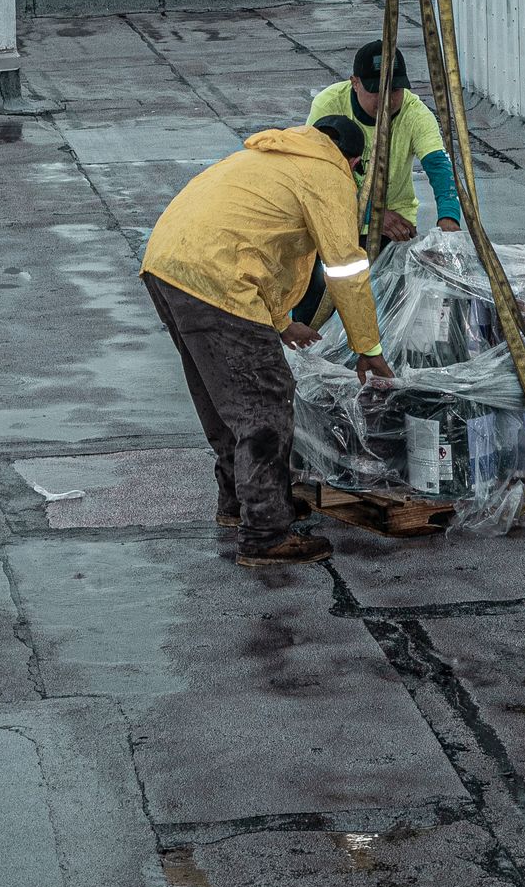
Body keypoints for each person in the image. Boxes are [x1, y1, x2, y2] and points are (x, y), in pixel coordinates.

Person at [142, 115, 394, 567]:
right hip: (216, 279)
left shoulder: (270, 157)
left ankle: (243, 503)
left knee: (222, 397)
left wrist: (280, 322)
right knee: (265, 399)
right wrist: (367, 348)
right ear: (353, 160)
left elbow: (253, 240)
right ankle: (265, 534)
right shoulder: (328, 174)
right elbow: (344, 268)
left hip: (168, 265)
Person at [307, 41, 463, 246]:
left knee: (392, 274)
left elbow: (439, 166)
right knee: (332, 275)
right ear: (355, 83)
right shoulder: (329, 105)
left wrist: (449, 217)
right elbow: (314, 174)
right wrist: (374, 213)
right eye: (376, 90)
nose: (387, 100)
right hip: (336, 215)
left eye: (395, 90)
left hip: (396, 223)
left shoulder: (416, 113)